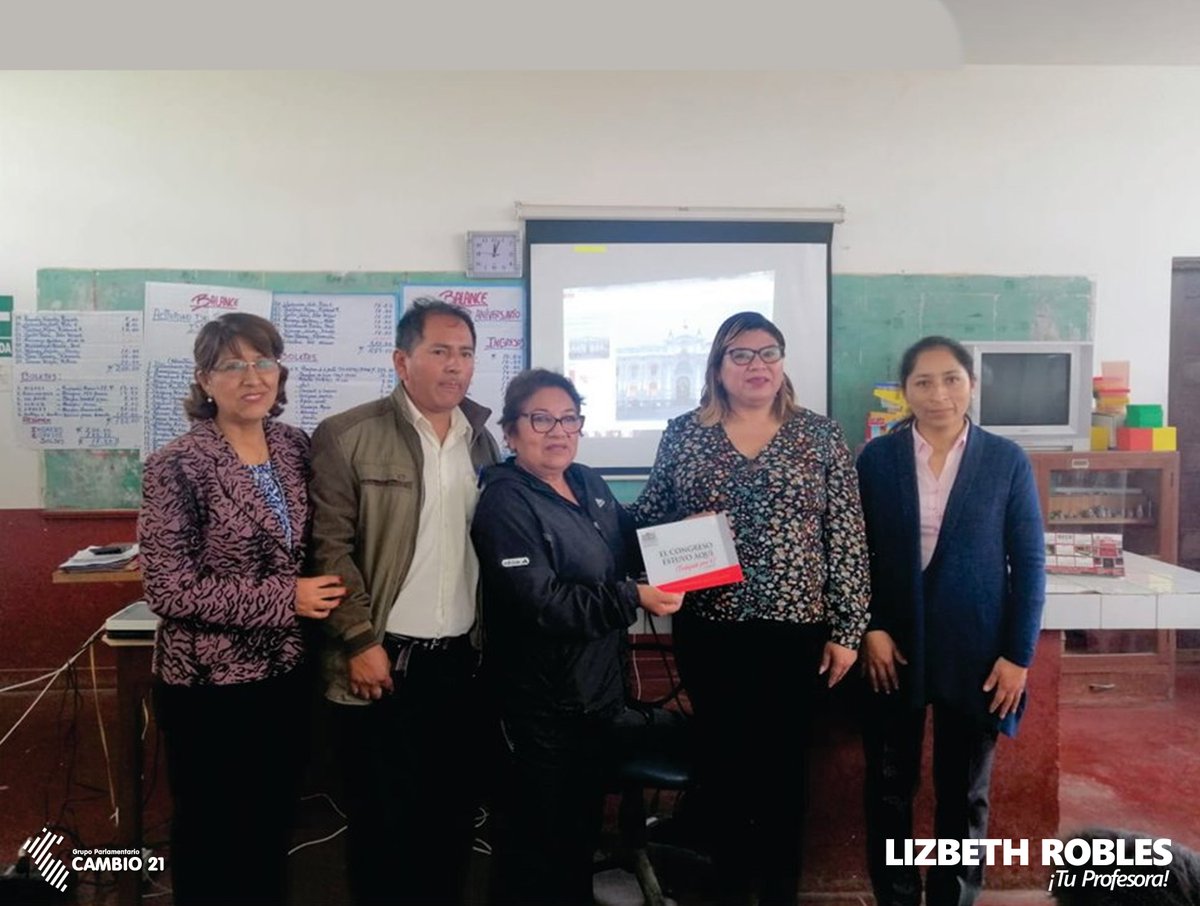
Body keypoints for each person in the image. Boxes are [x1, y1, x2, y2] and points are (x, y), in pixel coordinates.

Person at [628, 310, 871, 906]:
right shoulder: (685, 432)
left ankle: (779, 893)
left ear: (782, 363)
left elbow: (847, 536)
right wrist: (670, 537)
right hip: (711, 632)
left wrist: (849, 630)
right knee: (725, 770)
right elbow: (646, 520)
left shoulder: (819, 435)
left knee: (785, 772)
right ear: (718, 367)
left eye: (768, 353)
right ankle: (730, 891)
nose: (756, 365)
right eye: (741, 354)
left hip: (797, 635)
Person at [139, 312, 345, 906]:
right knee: (212, 829)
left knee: (272, 820)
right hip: (209, 682)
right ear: (205, 380)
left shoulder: (294, 446)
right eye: (232, 365)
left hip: (285, 670)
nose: (251, 377)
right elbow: (170, 588)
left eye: (264, 362)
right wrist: (287, 598)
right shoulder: (176, 464)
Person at [308, 298, 500, 906]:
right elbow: (328, 550)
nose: (456, 366)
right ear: (401, 359)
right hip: (383, 663)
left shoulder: (481, 440)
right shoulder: (348, 434)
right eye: (440, 351)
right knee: (383, 827)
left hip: (461, 663)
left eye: (466, 353)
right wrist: (361, 641)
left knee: (450, 821)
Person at [470, 368, 684, 906]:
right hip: (537, 707)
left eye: (569, 418)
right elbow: (542, 605)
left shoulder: (588, 482)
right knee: (534, 845)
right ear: (512, 431)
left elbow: (627, 547)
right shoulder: (505, 502)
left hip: (596, 699)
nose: (557, 430)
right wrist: (633, 598)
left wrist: (692, 538)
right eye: (540, 419)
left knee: (576, 839)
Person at [856, 334, 1046, 906]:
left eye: (951, 379)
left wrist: (1018, 655)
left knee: (964, 793)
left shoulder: (1005, 459)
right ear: (905, 390)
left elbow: (1029, 560)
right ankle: (895, 896)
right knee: (889, 786)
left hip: (980, 655)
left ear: (971, 385)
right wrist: (869, 627)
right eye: (922, 382)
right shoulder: (878, 459)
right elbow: (852, 550)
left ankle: (952, 898)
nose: (938, 394)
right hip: (894, 648)